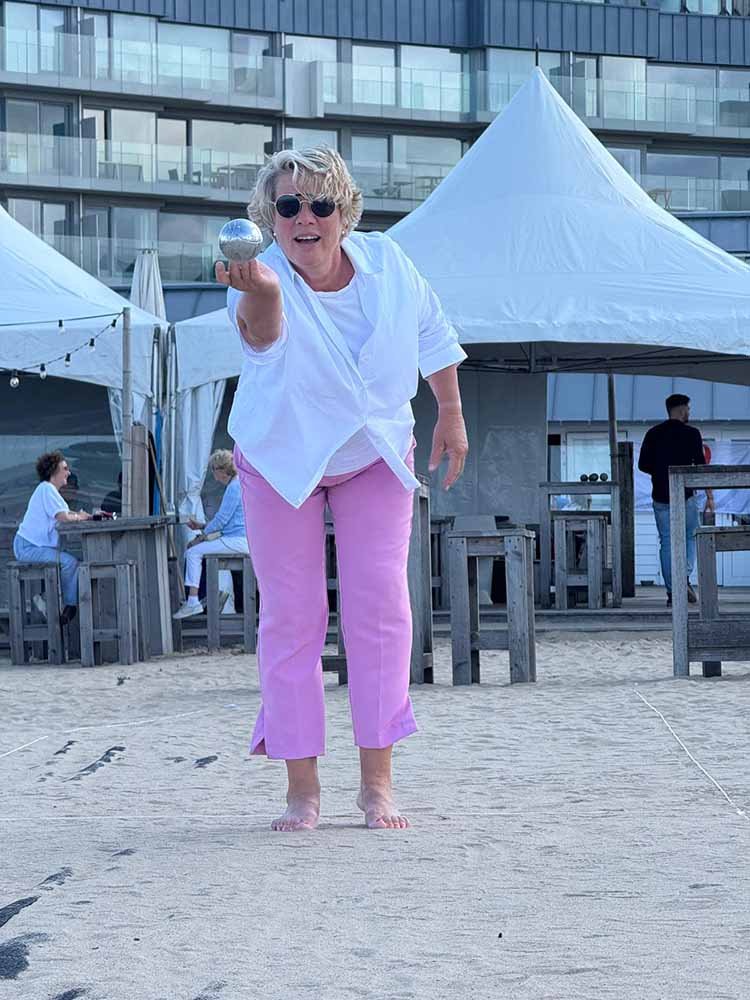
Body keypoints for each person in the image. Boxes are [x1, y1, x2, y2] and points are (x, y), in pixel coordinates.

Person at [215, 146, 468, 832]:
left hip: (373, 453)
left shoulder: (389, 263)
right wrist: (264, 293)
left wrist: (450, 413)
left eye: (320, 204)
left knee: (380, 607)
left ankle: (376, 784)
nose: (305, 217)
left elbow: (432, 334)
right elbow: (263, 339)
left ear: (344, 212)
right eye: (288, 205)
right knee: (293, 615)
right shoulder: (257, 279)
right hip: (281, 459)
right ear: (270, 217)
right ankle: (302, 789)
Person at [638, 393, 715, 606]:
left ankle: (673, 592)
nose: (689, 412)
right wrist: (710, 496)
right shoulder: (692, 434)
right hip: (685, 495)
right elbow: (701, 466)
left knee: (666, 541)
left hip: (660, 496)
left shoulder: (653, 433)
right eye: (688, 408)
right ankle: (684, 578)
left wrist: (660, 471)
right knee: (690, 536)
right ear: (681, 410)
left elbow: (642, 465)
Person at [12, 451, 92, 624]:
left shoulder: (49, 491)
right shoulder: (46, 489)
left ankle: (48, 599)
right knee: (69, 562)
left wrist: (83, 516)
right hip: (28, 548)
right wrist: (80, 517)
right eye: (65, 468)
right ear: (54, 471)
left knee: (70, 560)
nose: (68, 472)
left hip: (32, 546)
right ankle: (67, 605)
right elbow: (63, 516)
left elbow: (66, 512)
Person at [173, 449, 250, 619]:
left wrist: (201, 537)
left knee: (192, 552)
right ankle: (202, 597)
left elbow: (222, 520)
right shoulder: (237, 485)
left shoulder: (234, 487)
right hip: (237, 538)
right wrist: (202, 526)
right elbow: (227, 521)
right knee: (197, 551)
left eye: (214, 470)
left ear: (221, 470)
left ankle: (193, 601)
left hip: (237, 540)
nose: (213, 475)